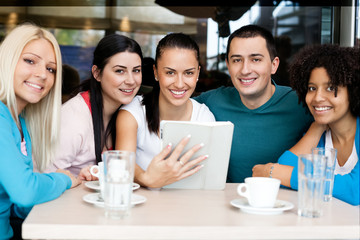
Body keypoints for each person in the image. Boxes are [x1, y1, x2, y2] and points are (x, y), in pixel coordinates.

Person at [194, 25, 313, 183]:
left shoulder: (301, 104)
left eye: (255, 59)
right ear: (228, 65)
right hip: (227, 202)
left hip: (284, 203)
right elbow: (171, 107)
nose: (245, 70)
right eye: (237, 60)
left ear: (274, 65)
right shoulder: (213, 101)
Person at [252, 44, 360, 206]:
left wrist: (271, 171)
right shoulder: (320, 135)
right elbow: (285, 172)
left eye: (331, 88)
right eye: (312, 88)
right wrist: (316, 129)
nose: (317, 98)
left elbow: (354, 191)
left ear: (353, 91)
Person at [0, 24, 80, 239]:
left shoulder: (22, 124)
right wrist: (62, 180)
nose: (42, 74)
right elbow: (24, 192)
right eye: (30, 61)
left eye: (50, 69)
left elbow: (16, 203)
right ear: (7, 60)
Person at [115, 33, 215, 188]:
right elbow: (123, 163)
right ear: (155, 72)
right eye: (170, 72)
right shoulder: (133, 113)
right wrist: (147, 179)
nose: (180, 84)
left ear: (198, 73)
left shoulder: (204, 117)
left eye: (189, 73)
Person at [46, 34, 143, 176]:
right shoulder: (74, 118)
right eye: (120, 71)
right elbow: (44, 176)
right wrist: (79, 179)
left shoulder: (131, 113)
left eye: (136, 70)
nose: (131, 80)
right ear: (97, 73)